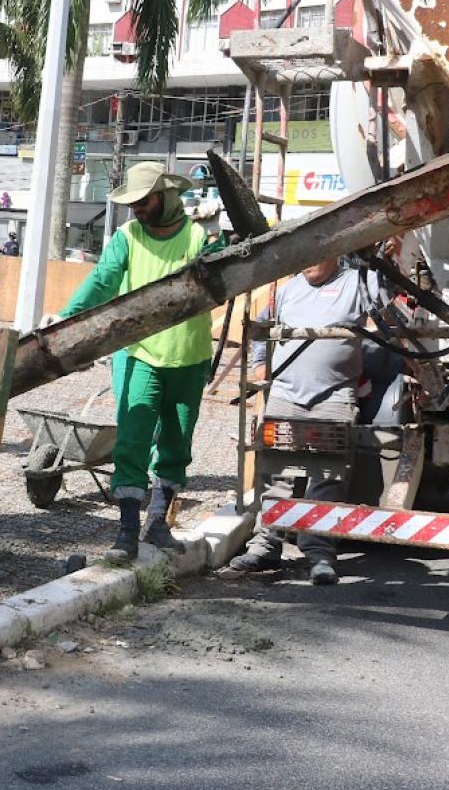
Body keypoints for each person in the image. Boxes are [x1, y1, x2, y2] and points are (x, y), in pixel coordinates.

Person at [44, 162, 218, 564]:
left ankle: (157, 523)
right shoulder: (127, 236)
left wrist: (216, 237)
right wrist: (67, 315)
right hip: (139, 353)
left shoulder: (196, 235)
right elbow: (102, 281)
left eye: (144, 201)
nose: (137, 209)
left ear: (166, 195)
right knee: (133, 438)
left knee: (177, 442)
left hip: (189, 356)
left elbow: (221, 271)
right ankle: (125, 531)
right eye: (133, 203)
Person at [225, 256, 378, 585]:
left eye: (315, 256)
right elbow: (261, 329)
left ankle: (320, 554)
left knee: (326, 477)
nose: (307, 263)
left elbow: (388, 313)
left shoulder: (358, 282)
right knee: (275, 474)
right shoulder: (287, 289)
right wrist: (260, 363)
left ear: (335, 253)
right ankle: (266, 545)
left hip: (334, 396)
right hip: (285, 395)